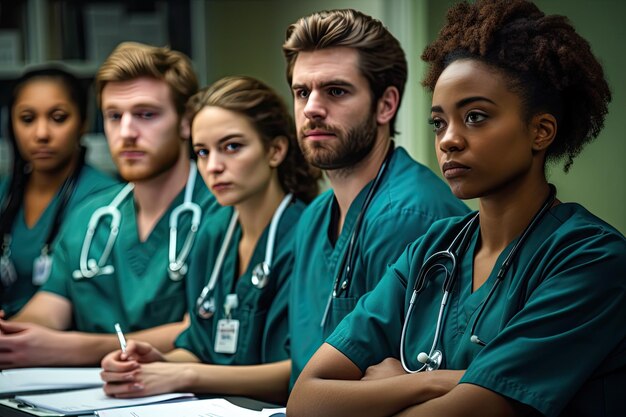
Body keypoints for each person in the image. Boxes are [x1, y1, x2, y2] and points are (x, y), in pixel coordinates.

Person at [288, 1, 626, 416]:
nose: (449, 139)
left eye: (476, 117)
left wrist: (391, 387)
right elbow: (307, 400)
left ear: (540, 131)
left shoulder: (589, 260)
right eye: (439, 122)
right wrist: (427, 382)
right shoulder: (431, 250)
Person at [99, 76, 320, 403]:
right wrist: (153, 363)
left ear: (275, 151)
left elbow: (303, 372)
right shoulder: (213, 233)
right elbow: (200, 348)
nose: (213, 166)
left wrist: (184, 374)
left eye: (232, 147)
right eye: (202, 152)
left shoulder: (309, 234)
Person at [0, 42, 220, 368]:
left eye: (146, 114)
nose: (127, 132)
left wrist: (71, 348)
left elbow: (203, 329)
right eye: (114, 116)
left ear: (187, 121)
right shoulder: (90, 217)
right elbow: (48, 311)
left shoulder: (222, 211)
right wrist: (11, 333)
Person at [282, 9, 469, 387]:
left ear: (386, 104)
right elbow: (300, 365)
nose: (312, 108)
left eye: (335, 91)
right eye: (303, 92)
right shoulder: (315, 216)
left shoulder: (409, 217)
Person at [0, 67, 118, 319]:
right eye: (27, 119)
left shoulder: (107, 199)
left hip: (66, 347)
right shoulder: (5, 193)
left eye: (58, 118)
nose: (41, 134)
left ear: (83, 124)